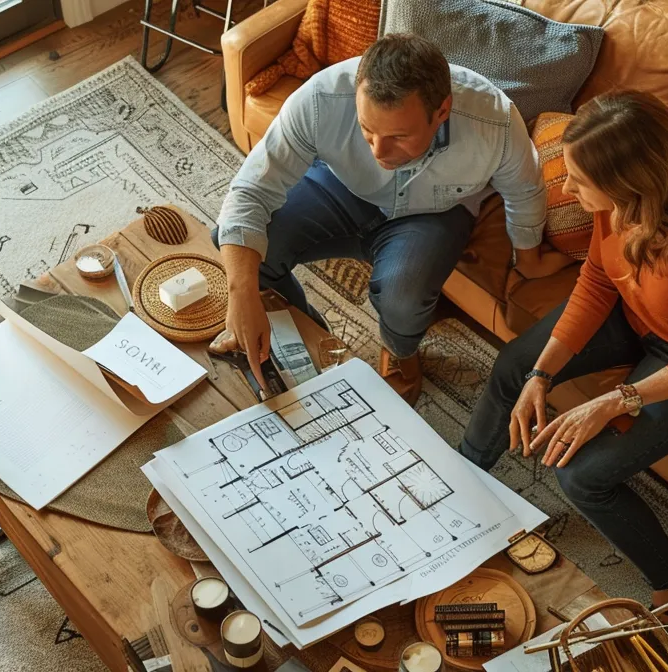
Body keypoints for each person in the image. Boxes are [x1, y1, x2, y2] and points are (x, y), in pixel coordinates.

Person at [458, 90, 668, 633]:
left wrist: (614, 401)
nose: (564, 188)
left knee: (584, 477)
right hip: (635, 314)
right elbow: (599, 279)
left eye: (578, 180)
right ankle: (465, 479)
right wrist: (542, 372)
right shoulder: (619, 203)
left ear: (630, 182)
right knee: (516, 365)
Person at [212, 34, 569, 404]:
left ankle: (401, 352)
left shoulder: (494, 123)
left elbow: (525, 191)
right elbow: (250, 193)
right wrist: (243, 296)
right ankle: (302, 328)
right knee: (235, 246)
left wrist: (529, 259)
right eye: (367, 130)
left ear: (442, 111)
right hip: (342, 189)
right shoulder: (320, 99)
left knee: (404, 299)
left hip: (434, 215)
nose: (379, 151)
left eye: (398, 136)